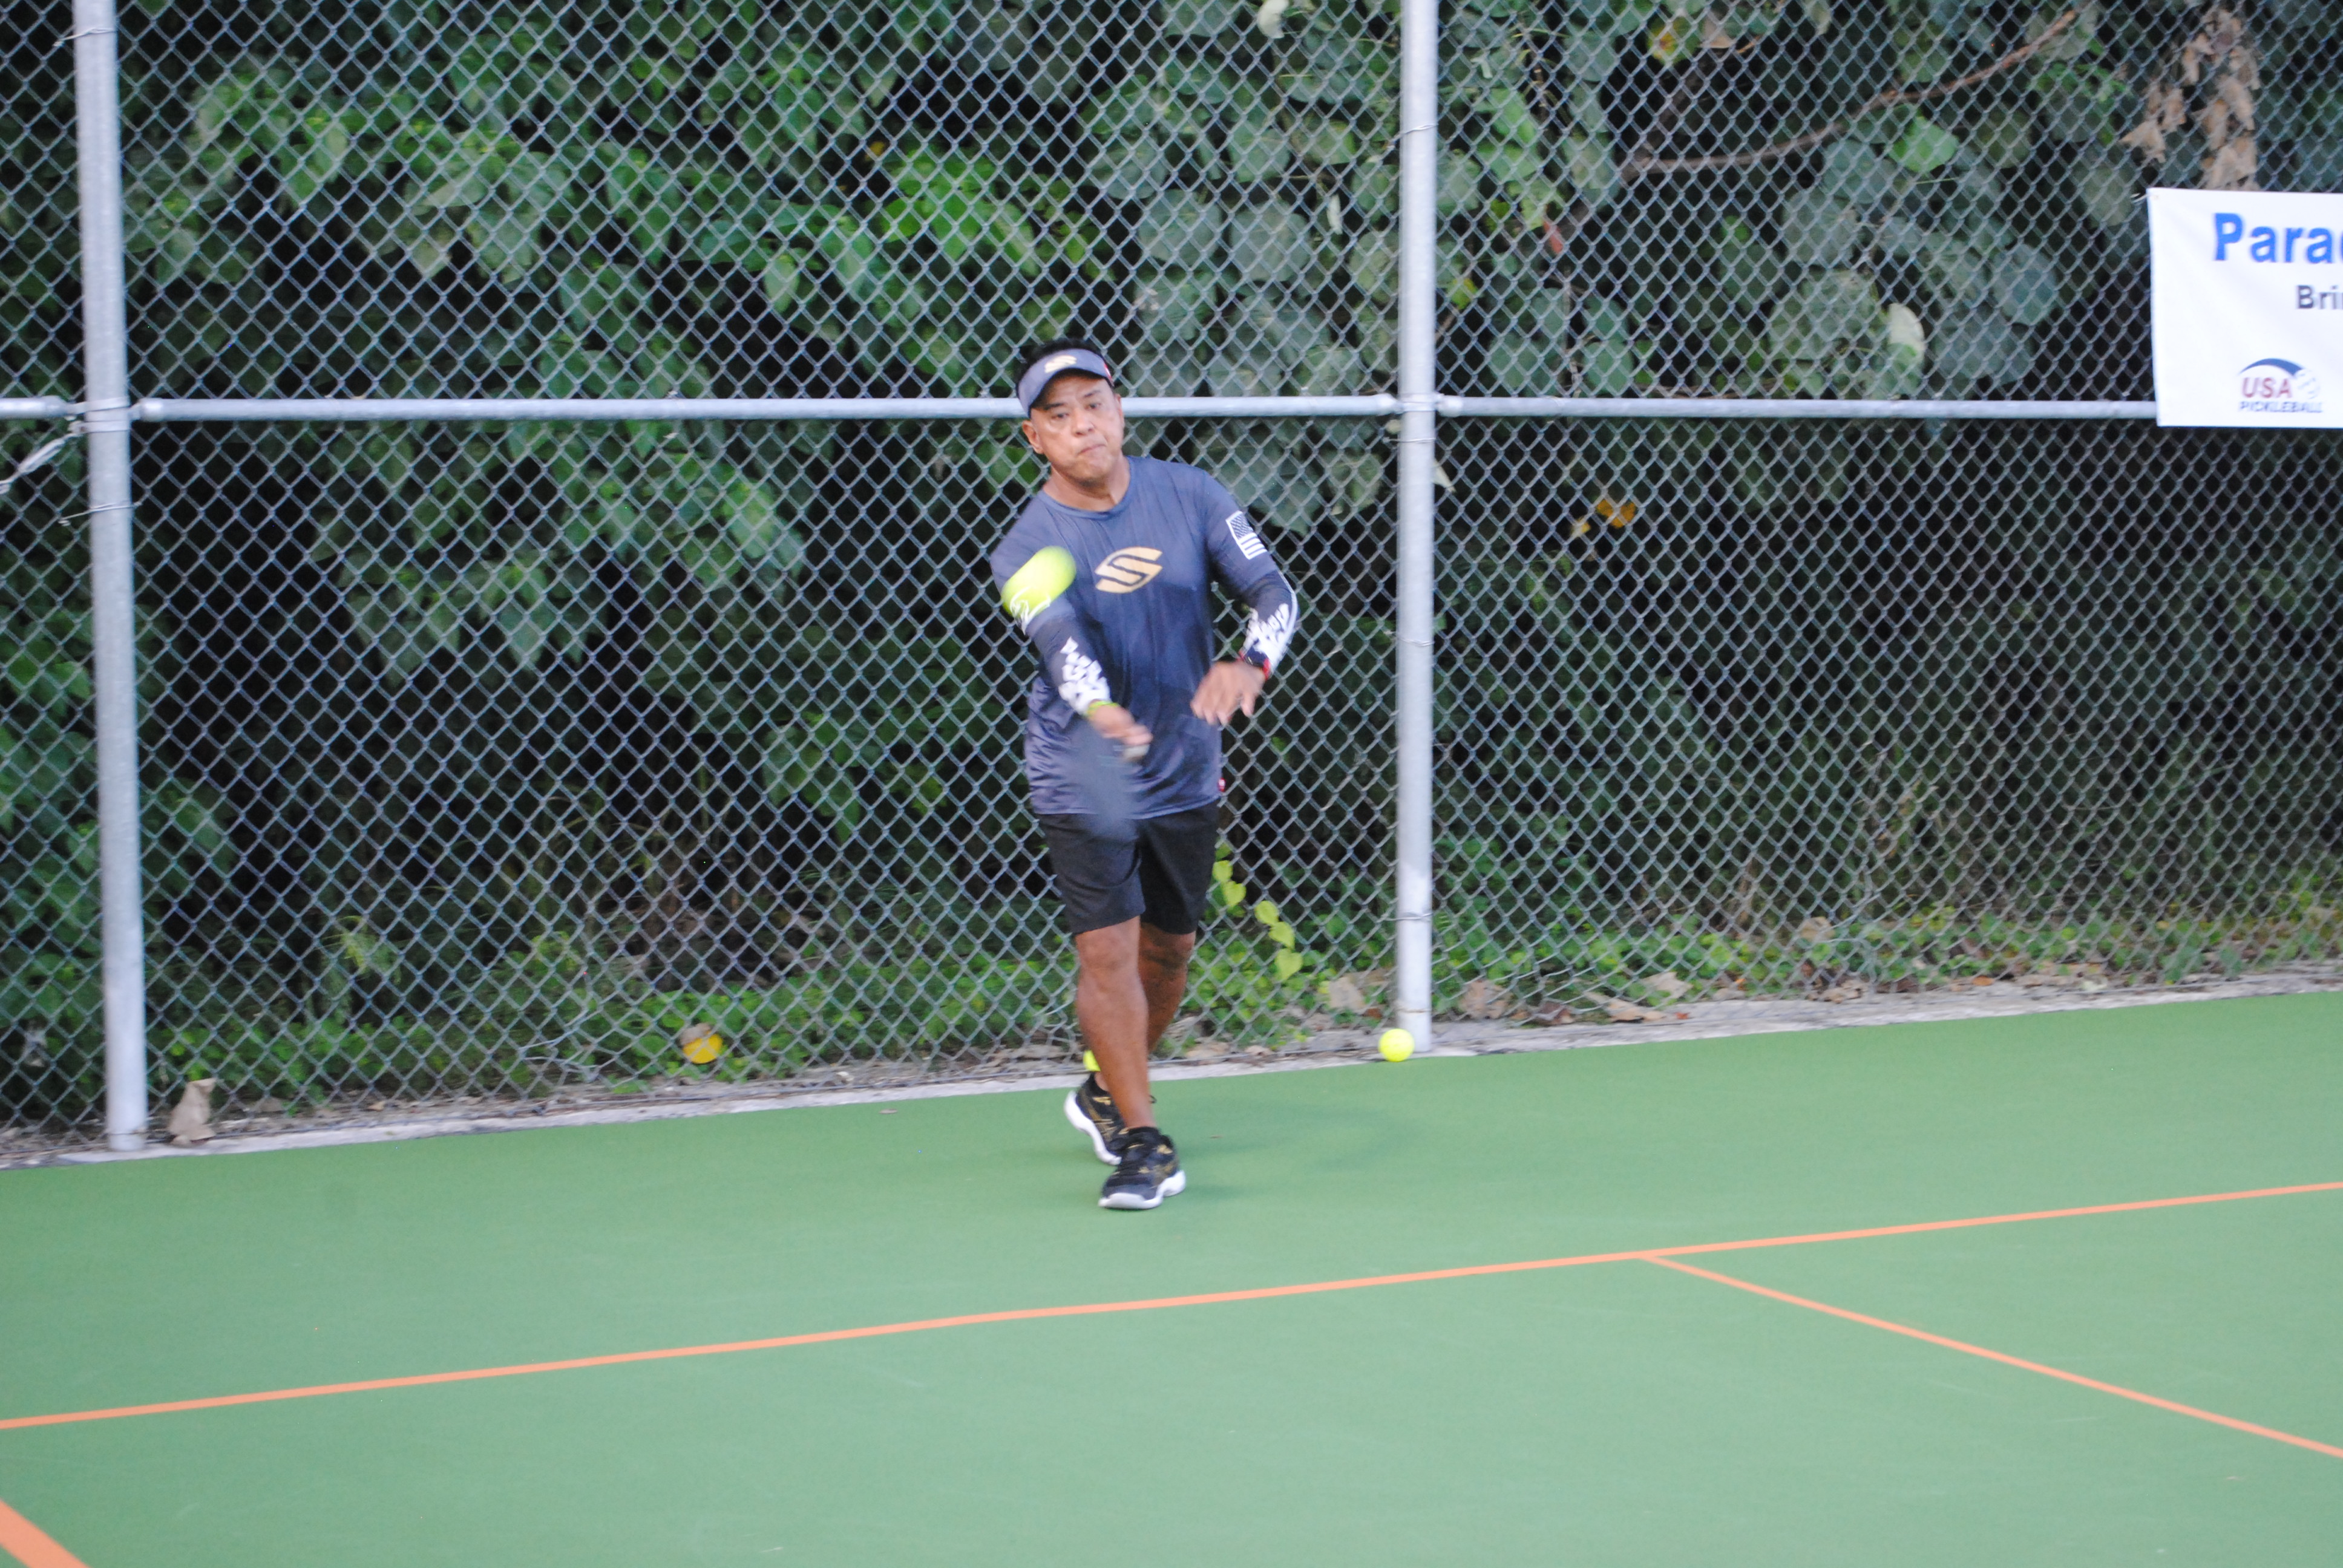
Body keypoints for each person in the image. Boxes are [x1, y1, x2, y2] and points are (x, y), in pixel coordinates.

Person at [989, 340, 1299, 1210]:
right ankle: (1143, 1139)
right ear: (1036, 441)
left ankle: (1104, 1091)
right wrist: (1100, 712)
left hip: (1186, 765)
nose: (1082, 424)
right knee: (1109, 950)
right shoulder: (1026, 547)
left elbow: (1274, 594)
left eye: (1094, 404)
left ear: (1120, 411)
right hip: (1083, 767)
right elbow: (1061, 647)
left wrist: (1251, 665)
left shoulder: (1192, 496)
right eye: (1059, 416)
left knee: (1170, 952)